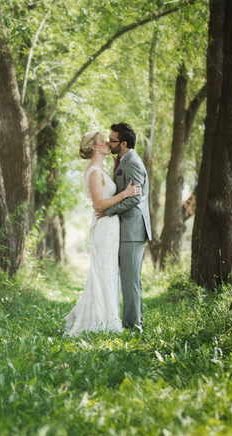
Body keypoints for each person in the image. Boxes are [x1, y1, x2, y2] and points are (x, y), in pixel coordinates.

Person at [64, 131, 141, 337]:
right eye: (102, 141)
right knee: (105, 272)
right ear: (95, 148)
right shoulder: (95, 172)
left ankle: (107, 317)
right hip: (105, 227)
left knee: (108, 272)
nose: (108, 143)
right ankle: (102, 320)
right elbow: (98, 204)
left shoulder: (101, 169)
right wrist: (124, 194)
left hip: (110, 226)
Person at [100, 122, 152, 333]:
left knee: (130, 281)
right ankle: (133, 322)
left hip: (133, 230)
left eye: (112, 140)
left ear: (123, 143)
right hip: (125, 229)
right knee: (128, 279)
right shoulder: (122, 160)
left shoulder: (133, 163)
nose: (108, 143)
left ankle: (133, 327)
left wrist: (107, 211)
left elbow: (135, 198)